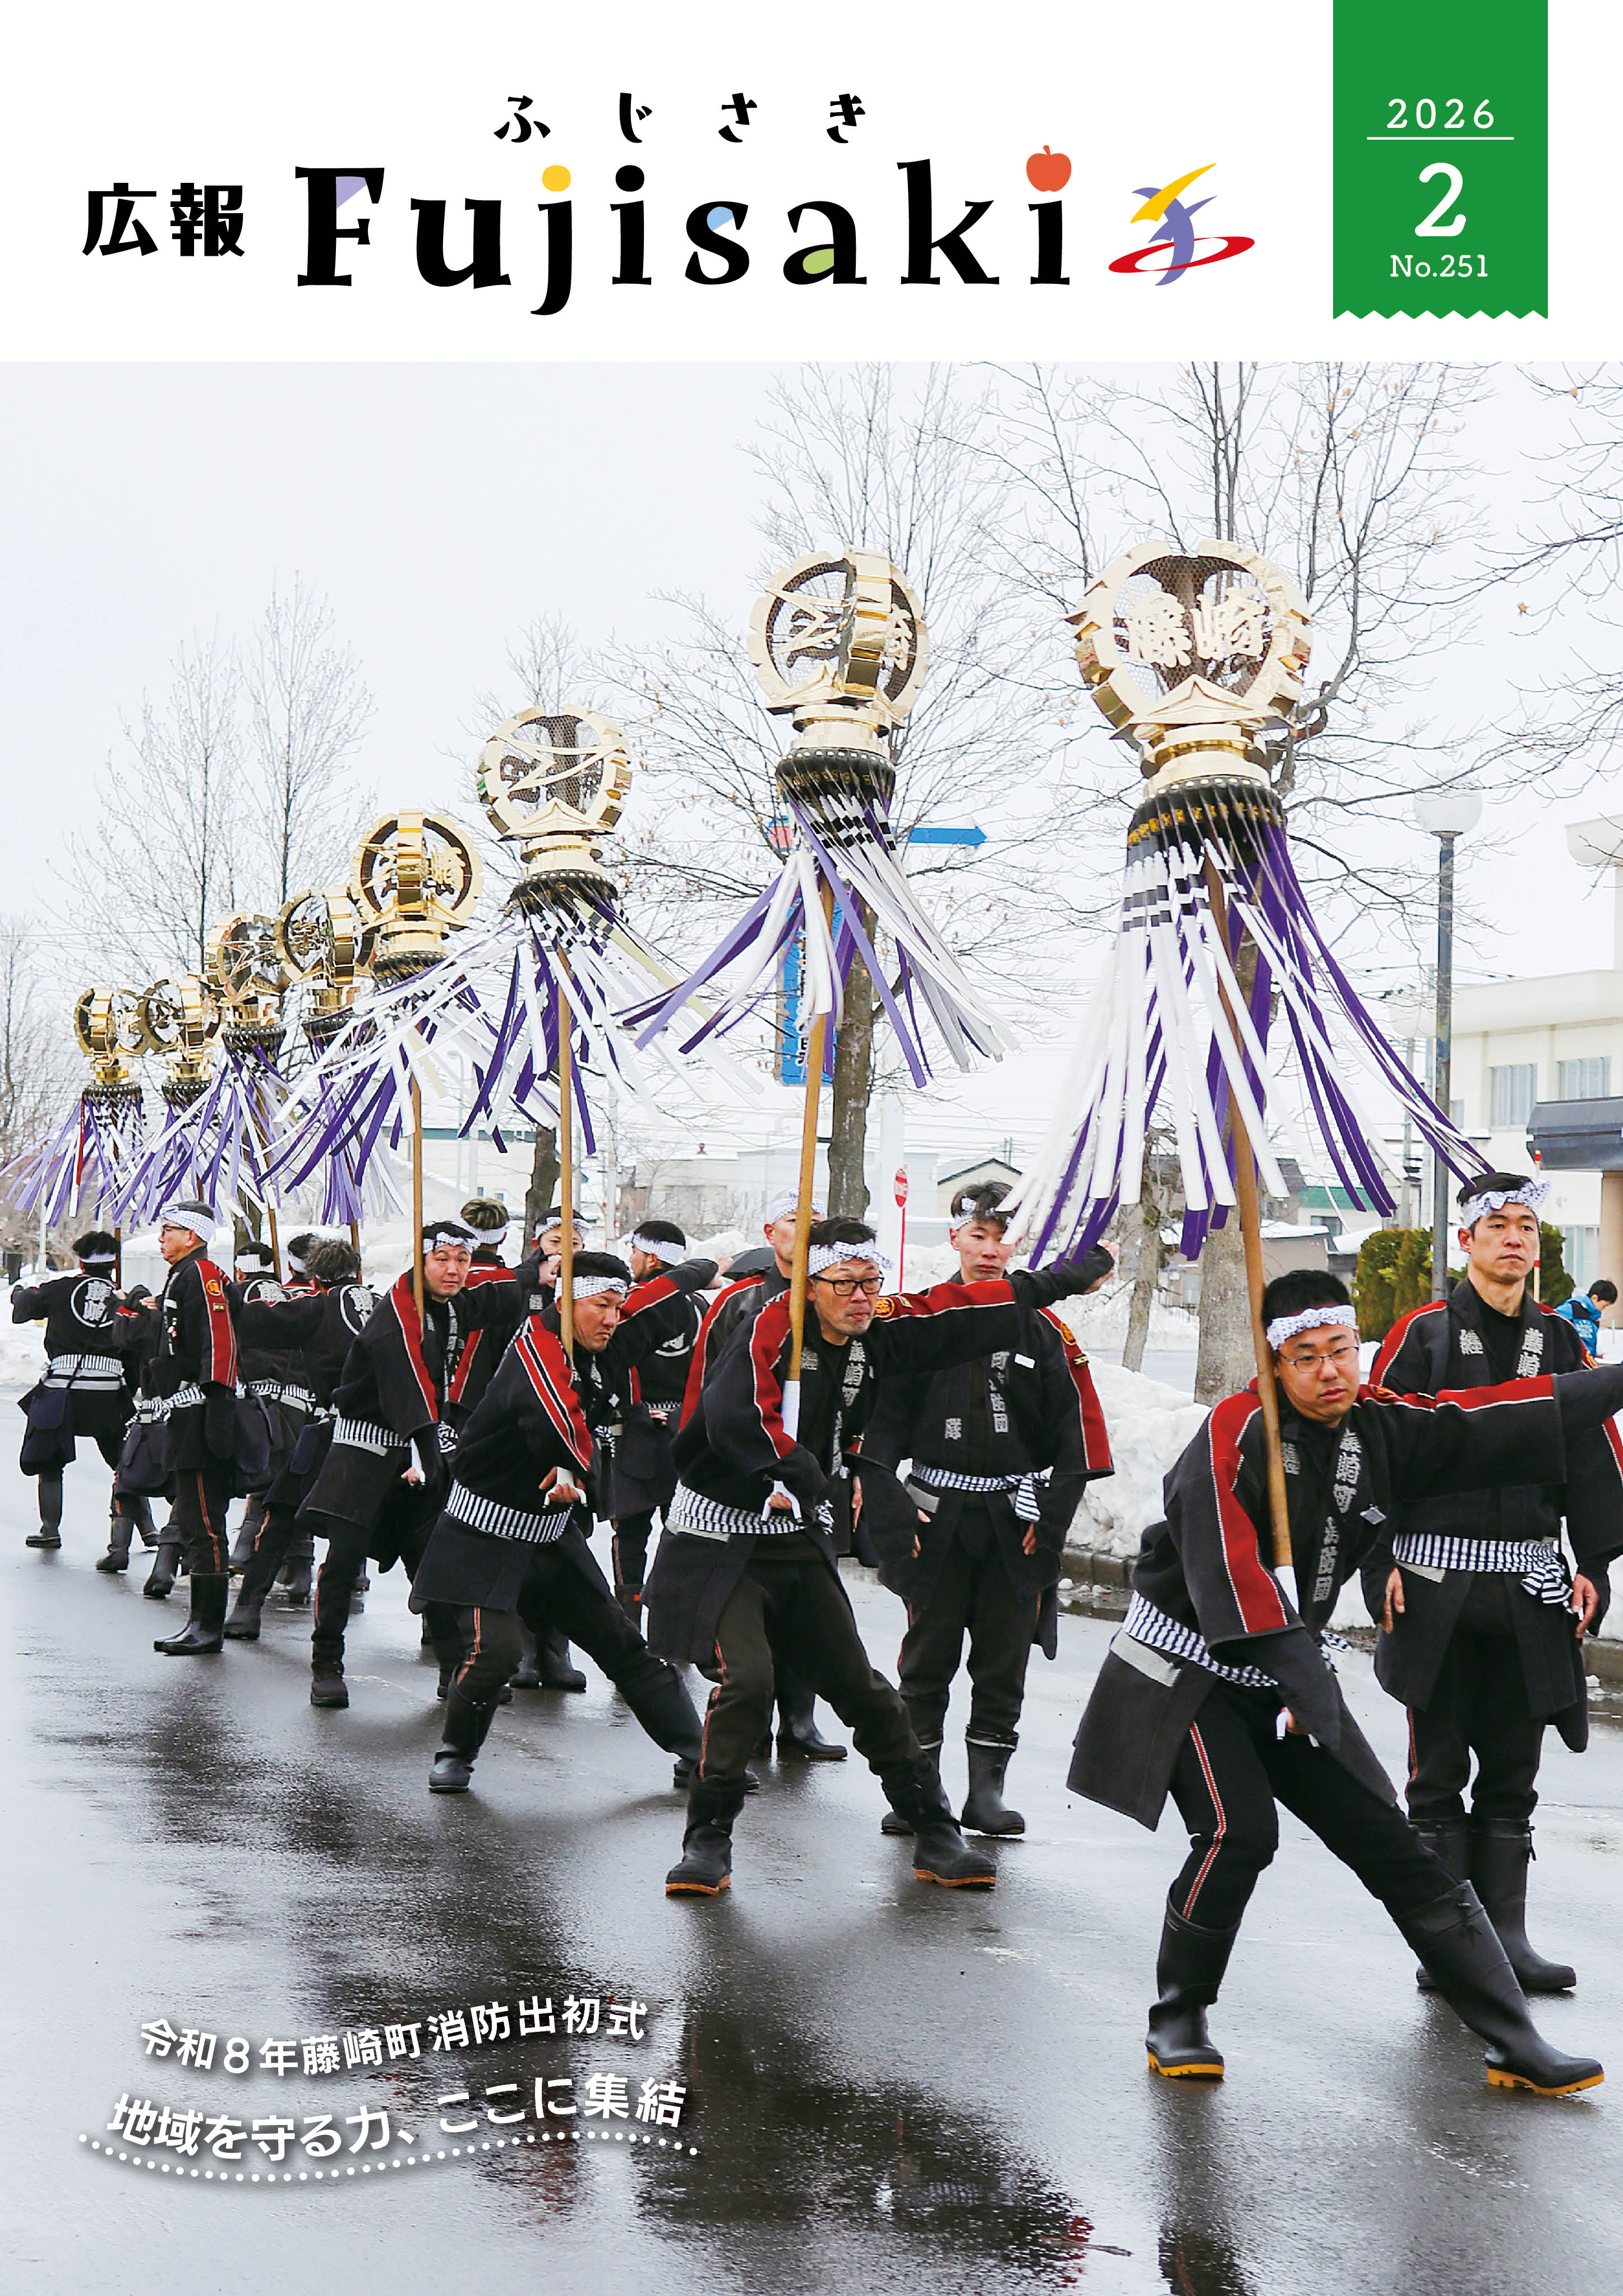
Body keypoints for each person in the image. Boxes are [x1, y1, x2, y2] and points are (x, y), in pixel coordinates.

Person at [1068, 1268, 1617, 2097]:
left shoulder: (1380, 1426)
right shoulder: (1233, 1430)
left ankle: (1512, 2037)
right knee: (1238, 1831)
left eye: (1340, 1351)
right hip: (1189, 1671)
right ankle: (1178, 2013)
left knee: (1393, 1845)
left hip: (1291, 1678)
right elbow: (1225, 1568)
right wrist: (1297, 1672)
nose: (1330, 1372)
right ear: (1272, 1362)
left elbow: (1496, 1414)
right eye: (1306, 1357)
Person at [649, 1217, 1112, 1898]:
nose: (862, 1297)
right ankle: (707, 1840)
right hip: (722, 1538)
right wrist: (797, 1472)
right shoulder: (767, 1323)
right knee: (747, 1680)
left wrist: (1066, 1278)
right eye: (845, 1285)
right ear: (811, 1284)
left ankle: (935, 1829)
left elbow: (957, 1311)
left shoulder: (879, 1328)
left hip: (797, 1539)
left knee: (863, 1690)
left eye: (871, 1283)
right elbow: (733, 1415)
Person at [1364, 1173, 1623, 1994]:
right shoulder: (1424, 1334)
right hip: (1434, 1577)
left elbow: (1592, 1456)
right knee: (1436, 1769)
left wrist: (1592, 1564)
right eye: (1497, 1226)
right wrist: (1378, 1565)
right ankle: (1447, 1941)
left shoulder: (1560, 1342)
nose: (1513, 1239)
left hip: (1527, 1582)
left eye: (1525, 1226)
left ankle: (1504, 1934)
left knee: (1514, 1767)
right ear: (1466, 1241)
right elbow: (1374, 1447)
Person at [409, 1248, 720, 1795]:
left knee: (624, 1645)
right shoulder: (536, 1345)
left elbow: (651, 1303)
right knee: (495, 1654)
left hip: (553, 1537)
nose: (611, 1318)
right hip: (484, 1535)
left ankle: (697, 1755)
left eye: (615, 1307)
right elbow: (555, 1410)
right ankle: (455, 1752)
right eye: (600, 1305)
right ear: (566, 1299)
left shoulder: (607, 1334)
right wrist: (573, 1461)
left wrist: (702, 1269)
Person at [862, 1184, 1115, 1837]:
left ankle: (986, 1792)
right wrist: (890, 1512)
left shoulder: (1046, 1329)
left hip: (1014, 1518)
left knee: (1003, 1662)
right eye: (978, 1235)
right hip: (935, 1517)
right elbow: (875, 1433)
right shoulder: (924, 1321)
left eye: (1003, 1238)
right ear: (953, 1239)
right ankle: (918, 1789)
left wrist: (1051, 1520)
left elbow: (1076, 1439)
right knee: (927, 1659)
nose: (991, 1250)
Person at [294, 1223, 509, 1709]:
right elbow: (406, 1384)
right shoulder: (397, 1313)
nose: (453, 1269)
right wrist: (432, 1452)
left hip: (423, 1447)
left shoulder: (448, 1308)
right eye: (442, 1259)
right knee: (344, 1562)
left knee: (437, 1561)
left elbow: (501, 1297)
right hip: (366, 1449)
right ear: (421, 1261)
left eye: (462, 1259)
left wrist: (543, 1273)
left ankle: (456, 1667)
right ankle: (327, 1662)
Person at [674, 1189, 847, 1763]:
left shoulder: (835, 1304)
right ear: (769, 1232)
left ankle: (799, 1717)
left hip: (809, 1479)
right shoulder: (741, 1304)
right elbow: (708, 1393)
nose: (804, 1231)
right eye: (793, 1221)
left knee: (806, 1605)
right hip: (741, 1482)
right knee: (743, 1617)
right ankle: (738, 1729)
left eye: (816, 1223)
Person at [222, 1239, 376, 1640]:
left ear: (315, 1279)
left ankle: (247, 1609)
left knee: (281, 1514)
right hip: (391, 1438)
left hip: (335, 1430)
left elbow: (253, 1321)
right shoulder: (385, 1304)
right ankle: (447, 1639)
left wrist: (222, 1292)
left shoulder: (317, 1306)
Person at [142, 1201, 261, 1658]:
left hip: (203, 1413)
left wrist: (217, 1414)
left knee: (205, 1521)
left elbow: (220, 1343)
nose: (161, 1238)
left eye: (168, 1230)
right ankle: (198, 1620)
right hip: (184, 1412)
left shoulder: (204, 1274)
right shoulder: (183, 1273)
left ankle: (208, 1626)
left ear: (192, 1235)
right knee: (191, 1519)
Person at [608, 1217, 711, 1626]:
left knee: (631, 1533)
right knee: (681, 1531)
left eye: (634, 1251)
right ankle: (673, 1620)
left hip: (636, 1426)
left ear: (651, 1256)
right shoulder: (702, 1305)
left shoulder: (631, 1304)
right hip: (686, 1428)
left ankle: (629, 1623)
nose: (630, 1259)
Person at [12, 1230, 140, 1553]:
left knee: (50, 1460)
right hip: (109, 1394)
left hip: (63, 1390)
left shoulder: (61, 1288)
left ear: (81, 1262)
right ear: (114, 1263)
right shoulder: (124, 1299)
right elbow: (138, 1351)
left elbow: (26, 1306)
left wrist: (18, 1294)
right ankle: (147, 1531)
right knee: (125, 1463)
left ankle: (50, 1528)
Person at [1556, 1276, 1618, 1355]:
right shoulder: (1573, 1309)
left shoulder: (1594, 1318)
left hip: (1587, 1360)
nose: (1603, 1310)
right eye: (1604, 1306)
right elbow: (1553, 1319)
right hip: (1572, 1359)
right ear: (1594, 1298)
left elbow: (1590, 1342)